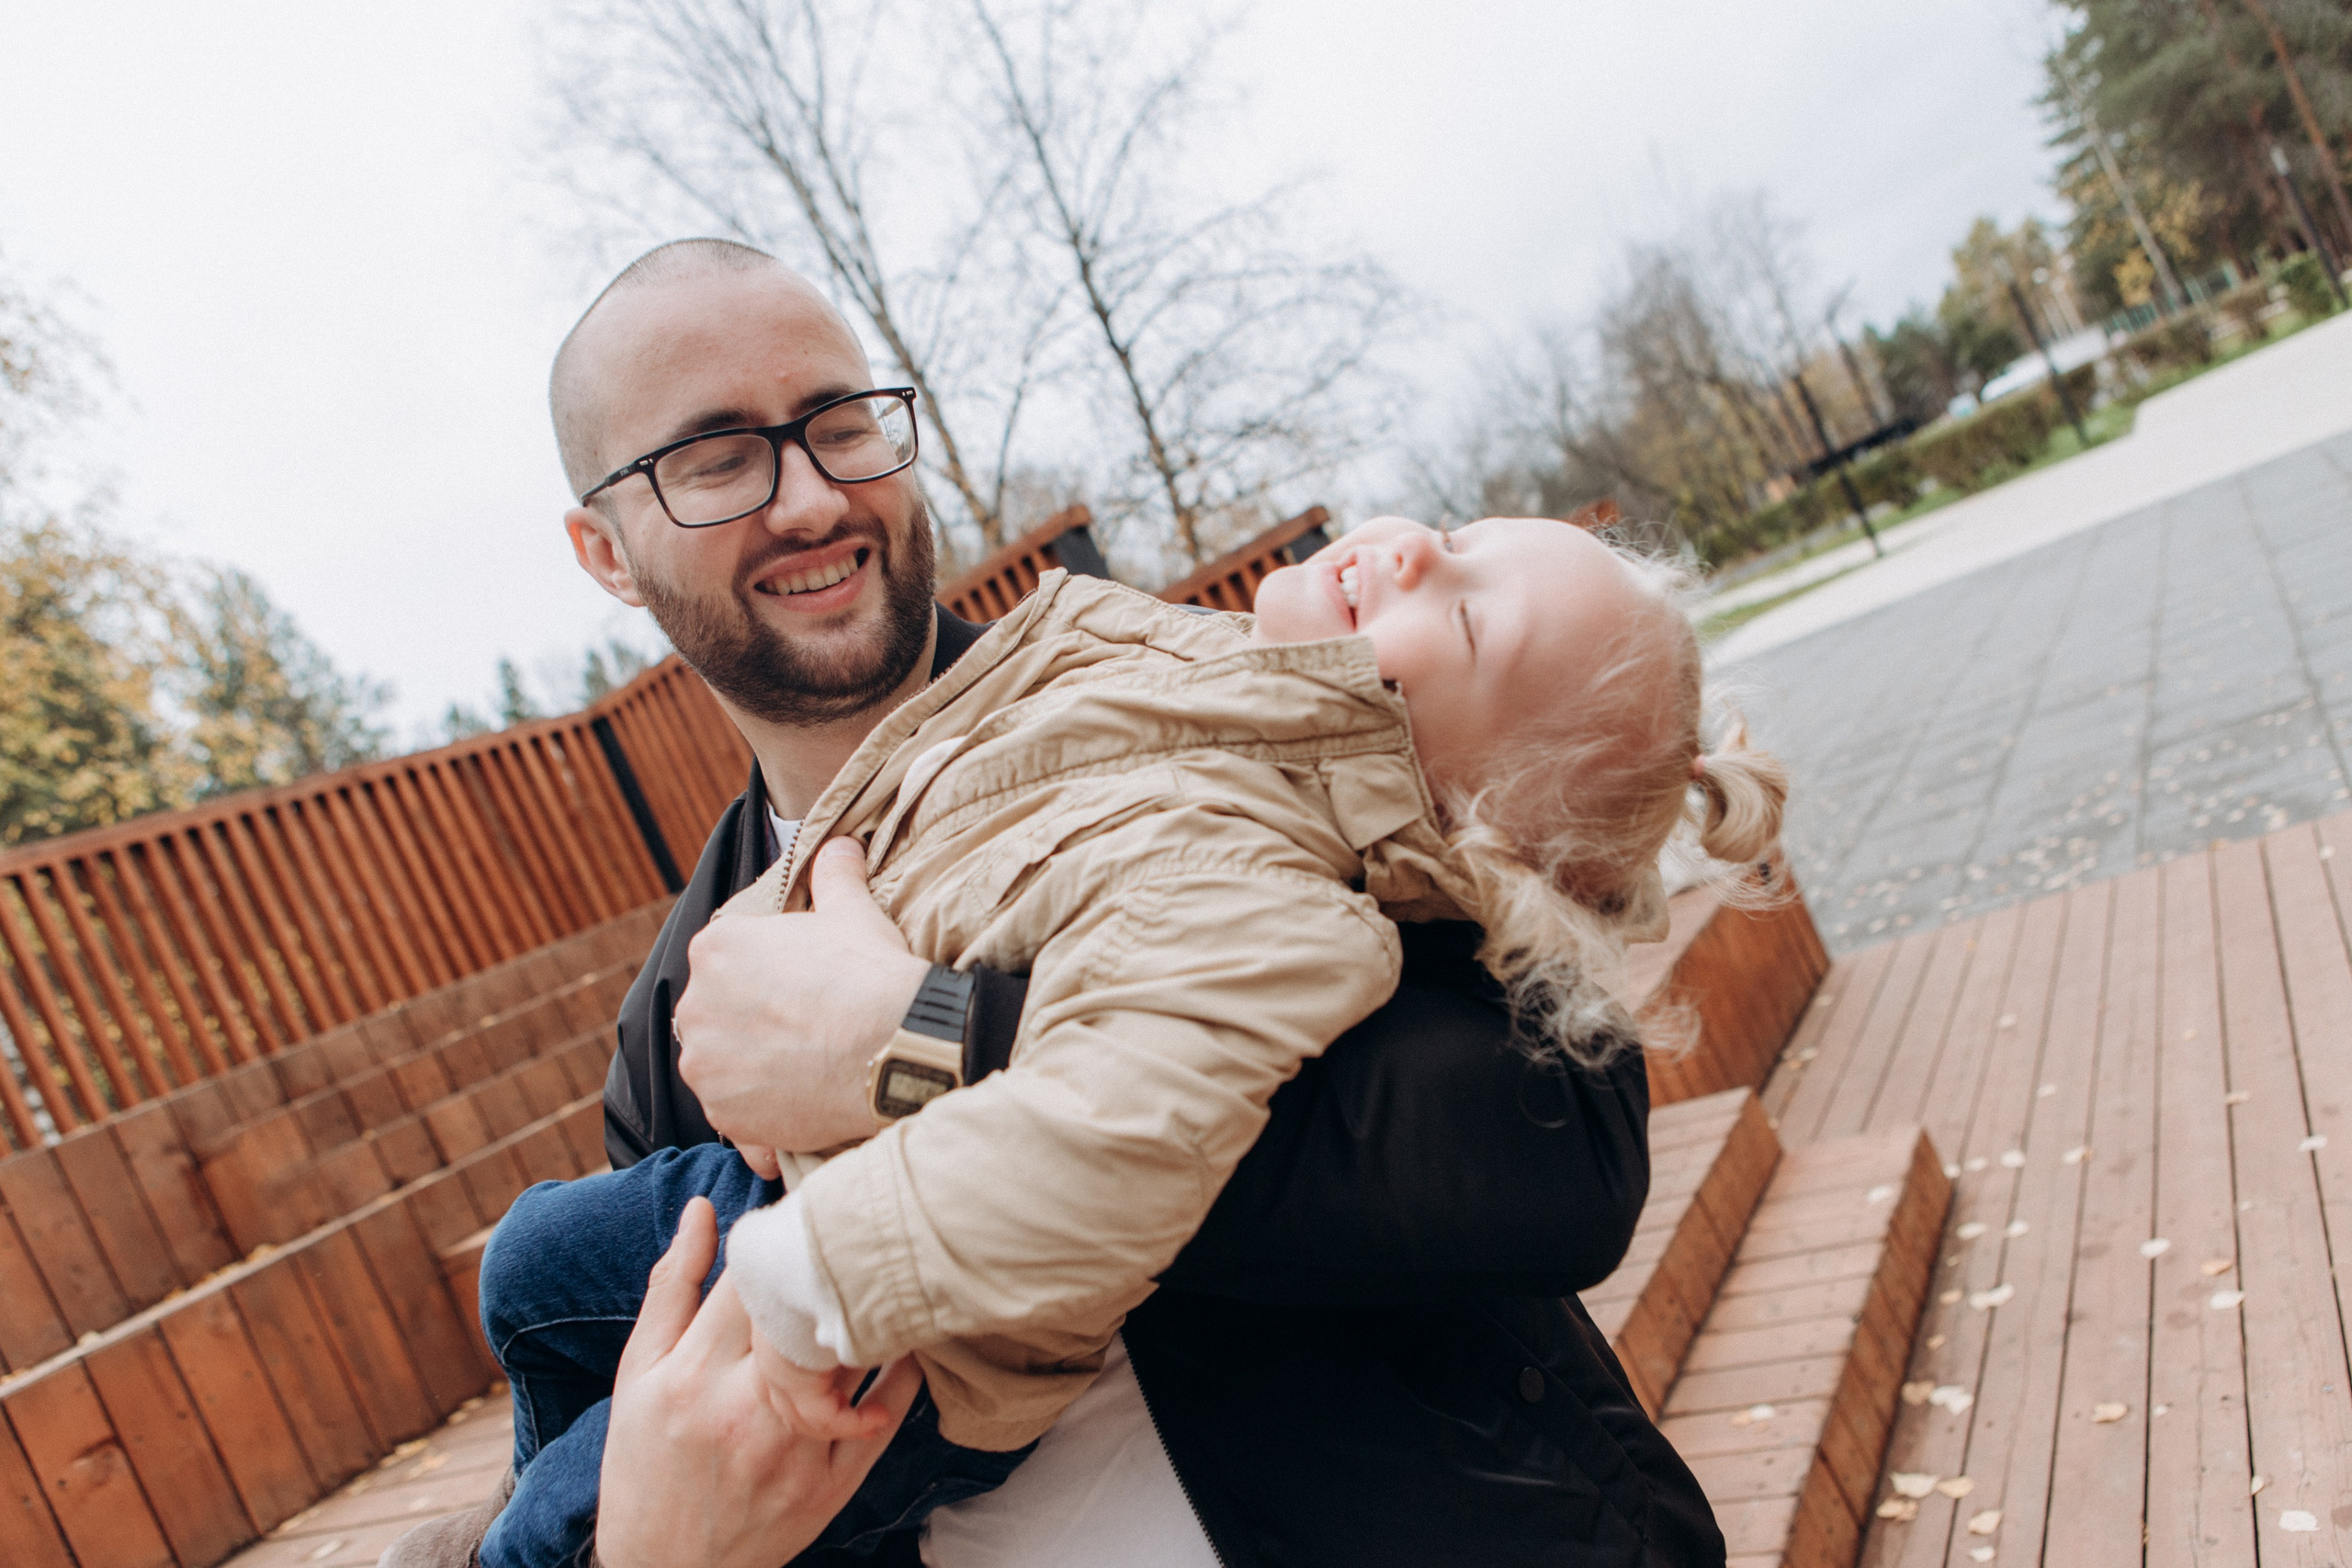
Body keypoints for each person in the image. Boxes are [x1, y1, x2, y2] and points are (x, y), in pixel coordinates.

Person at [384, 237, 1742, 1568]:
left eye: (840, 423)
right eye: (717, 459)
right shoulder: (690, 1012)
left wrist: (912, 1042)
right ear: (606, 553)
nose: (808, 498)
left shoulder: (1217, 717)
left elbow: (1566, 1141)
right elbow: (713, 1428)